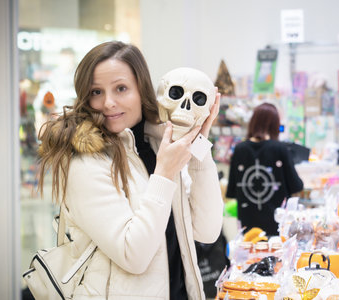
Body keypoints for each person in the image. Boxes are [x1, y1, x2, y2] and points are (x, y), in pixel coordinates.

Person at [37, 41, 223, 299]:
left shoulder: (159, 145)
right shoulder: (85, 161)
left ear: (142, 90)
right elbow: (133, 255)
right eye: (96, 92)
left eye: (121, 88)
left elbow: (207, 229)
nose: (109, 102)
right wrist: (165, 174)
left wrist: (200, 145)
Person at [226, 103, 303, 236]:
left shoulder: (239, 149)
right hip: (277, 225)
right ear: (275, 125)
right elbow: (296, 185)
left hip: (247, 227)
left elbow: (232, 191)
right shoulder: (280, 149)